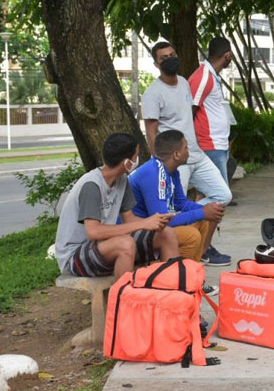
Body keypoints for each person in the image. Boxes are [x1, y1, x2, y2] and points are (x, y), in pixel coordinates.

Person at [142, 42, 232, 266]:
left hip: (196, 156)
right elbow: (151, 132)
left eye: (173, 54)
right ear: (156, 63)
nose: (170, 59)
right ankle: (180, 263)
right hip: (174, 162)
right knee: (172, 213)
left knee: (223, 196)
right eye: (164, 57)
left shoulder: (183, 83)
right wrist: (160, 165)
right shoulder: (152, 93)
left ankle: (201, 249)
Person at [55, 133, 179, 278]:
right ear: (127, 163)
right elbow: (93, 232)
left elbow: (129, 220)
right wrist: (144, 223)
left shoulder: (122, 180)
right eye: (136, 156)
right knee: (125, 244)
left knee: (166, 234)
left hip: (104, 246)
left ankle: (173, 290)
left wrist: (156, 221)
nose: (137, 159)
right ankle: (122, 298)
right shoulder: (91, 186)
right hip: (75, 256)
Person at [129, 130, 226, 279]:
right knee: (191, 236)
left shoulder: (172, 172)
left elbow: (182, 204)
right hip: (134, 234)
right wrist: (202, 212)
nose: (189, 151)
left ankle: (193, 280)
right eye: (186, 148)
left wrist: (209, 211)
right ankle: (180, 281)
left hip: (153, 229)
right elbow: (161, 220)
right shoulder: (153, 173)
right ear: (176, 154)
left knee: (203, 221)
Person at [189, 37, 235, 186]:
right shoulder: (204, 77)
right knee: (220, 196)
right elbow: (190, 109)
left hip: (217, 143)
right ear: (227, 55)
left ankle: (196, 209)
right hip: (209, 144)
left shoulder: (211, 75)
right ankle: (190, 210)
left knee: (206, 193)